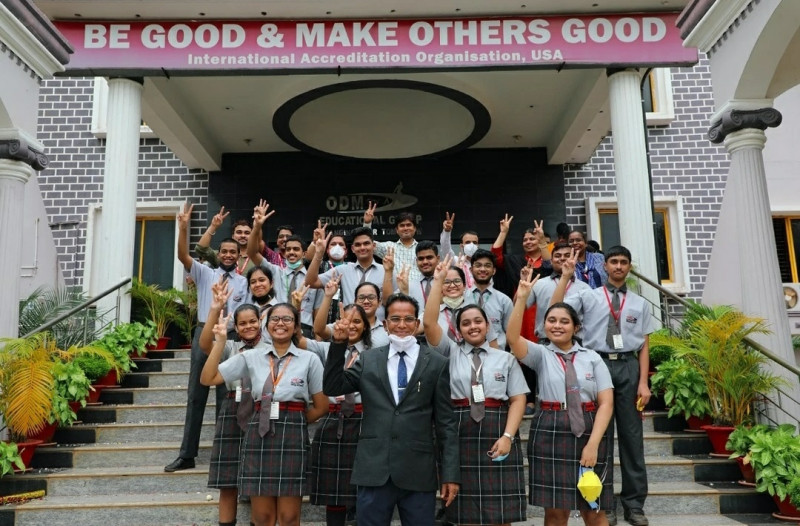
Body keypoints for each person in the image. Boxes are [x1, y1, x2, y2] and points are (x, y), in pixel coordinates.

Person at [323, 293, 460, 526]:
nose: (402, 325)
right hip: (374, 469)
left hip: (418, 471)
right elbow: (333, 387)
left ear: (417, 324)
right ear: (385, 324)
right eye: (395, 319)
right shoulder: (368, 359)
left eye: (408, 319)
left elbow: (446, 424)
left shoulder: (436, 363)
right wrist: (338, 344)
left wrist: (450, 474)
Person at [200, 302, 329, 526]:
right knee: (262, 517)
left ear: (296, 326)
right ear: (267, 325)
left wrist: (296, 422)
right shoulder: (251, 357)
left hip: (293, 438)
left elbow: (321, 406)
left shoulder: (310, 359)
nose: (280, 323)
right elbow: (207, 378)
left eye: (287, 319)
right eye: (275, 319)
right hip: (258, 436)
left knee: (289, 517)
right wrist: (220, 342)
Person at [423, 254, 529, 526]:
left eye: (478, 321)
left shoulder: (504, 359)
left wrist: (508, 436)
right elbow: (429, 324)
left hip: (497, 428)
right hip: (459, 430)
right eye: (466, 323)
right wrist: (438, 282)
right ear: (458, 330)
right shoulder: (449, 353)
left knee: (501, 515)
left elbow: (519, 399)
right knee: (465, 514)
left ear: (488, 325)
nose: (473, 326)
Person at [553, 246, 654, 526]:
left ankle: (634, 504)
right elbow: (556, 309)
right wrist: (565, 277)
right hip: (596, 364)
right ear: (605, 266)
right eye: (614, 262)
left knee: (632, 438)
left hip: (629, 366)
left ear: (629, 267)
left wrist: (643, 382)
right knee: (599, 437)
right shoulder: (589, 296)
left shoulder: (640, 303)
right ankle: (602, 502)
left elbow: (645, 345)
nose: (618, 266)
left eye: (623, 262)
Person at [508, 270, 614, 526]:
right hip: (549, 429)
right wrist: (522, 298)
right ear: (544, 325)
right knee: (555, 513)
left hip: (589, 428)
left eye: (564, 321)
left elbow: (606, 403)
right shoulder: (540, 354)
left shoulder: (592, 357)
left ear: (576, 327)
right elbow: (512, 338)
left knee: (594, 509)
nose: (557, 325)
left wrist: (593, 444)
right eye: (551, 320)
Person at [165, 202, 248, 474]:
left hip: (230, 337)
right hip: (204, 331)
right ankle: (187, 454)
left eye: (232, 252)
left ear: (238, 255)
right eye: (224, 251)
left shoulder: (244, 283)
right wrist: (183, 228)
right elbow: (182, 255)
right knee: (195, 395)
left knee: (227, 396)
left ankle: (224, 453)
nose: (228, 255)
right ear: (218, 254)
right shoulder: (205, 272)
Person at [197, 280, 263, 526]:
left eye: (253, 321)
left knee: (257, 478)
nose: (248, 326)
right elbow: (205, 344)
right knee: (227, 480)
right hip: (232, 408)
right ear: (236, 326)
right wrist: (215, 309)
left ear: (260, 322)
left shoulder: (269, 348)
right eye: (243, 323)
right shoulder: (230, 346)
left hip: (260, 409)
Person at [304, 294, 372, 526]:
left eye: (357, 321)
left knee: (364, 489)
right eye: (346, 320)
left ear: (366, 326)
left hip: (365, 420)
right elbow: (299, 339)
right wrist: (320, 298)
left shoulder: (376, 353)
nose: (351, 326)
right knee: (334, 491)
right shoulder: (327, 348)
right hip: (333, 420)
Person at [247, 202, 321, 338]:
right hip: (278, 326)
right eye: (288, 249)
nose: (291, 252)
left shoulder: (313, 280)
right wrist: (257, 226)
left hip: (305, 329)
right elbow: (252, 252)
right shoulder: (275, 271)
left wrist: (318, 341)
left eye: (296, 249)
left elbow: (317, 313)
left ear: (304, 254)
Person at [363, 203, 453, 283]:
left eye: (409, 225)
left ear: (415, 228)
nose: (405, 228)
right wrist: (367, 223)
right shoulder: (389, 247)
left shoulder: (423, 250)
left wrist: (446, 231)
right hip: (396, 293)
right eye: (402, 226)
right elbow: (367, 244)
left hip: (420, 290)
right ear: (397, 230)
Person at [305, 227, 387, 314]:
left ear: (373, 246)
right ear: (352, 249)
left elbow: (390, 301)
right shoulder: (343, 270)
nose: (362, 247)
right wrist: (319, 253)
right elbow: (310, 282)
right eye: (358, 245)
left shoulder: (386, 271)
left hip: (378, 322)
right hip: (349, 322)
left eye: (366, 243)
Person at [525, 241, 592, 339]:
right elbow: (520, 307)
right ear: (551, 261)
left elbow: (590, 319)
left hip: (576, 341)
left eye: (567, 255)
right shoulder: (539, 284)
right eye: (558, 256)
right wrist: (522, 284)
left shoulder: (585, 288)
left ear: (575, 260)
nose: (562, 258)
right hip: (546, 340)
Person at [491, 214, 552, 299]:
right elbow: (495, 256)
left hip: (544, 302)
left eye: (532, 239)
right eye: (525, 240)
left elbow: (549, 266)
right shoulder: (514, 261)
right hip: (519, 303)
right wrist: (503, 233)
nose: (528, 242)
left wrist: (542, 240)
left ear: (540, 241)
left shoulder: (547, 260)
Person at [468, 249, 513, 350]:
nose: (483, 269)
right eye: (478, 265)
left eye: (487, 266)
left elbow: (511, 334)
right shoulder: (462, 298)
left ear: (494, 271)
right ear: (471, 270)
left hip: (497, 354)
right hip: (468, 354)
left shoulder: (504, 301)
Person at [195, 206, 258, 275]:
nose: (243, 236)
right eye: (239, 232)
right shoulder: (222, 255)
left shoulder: (257, 257)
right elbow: (200, 249)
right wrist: (213, 226)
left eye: (247, 233)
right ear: (233, 236)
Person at [245, 266, 277, 342]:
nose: (257, 285)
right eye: (253, 282)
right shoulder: (245, 311)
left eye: (262, 280)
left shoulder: (281, 310)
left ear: (271, 283)